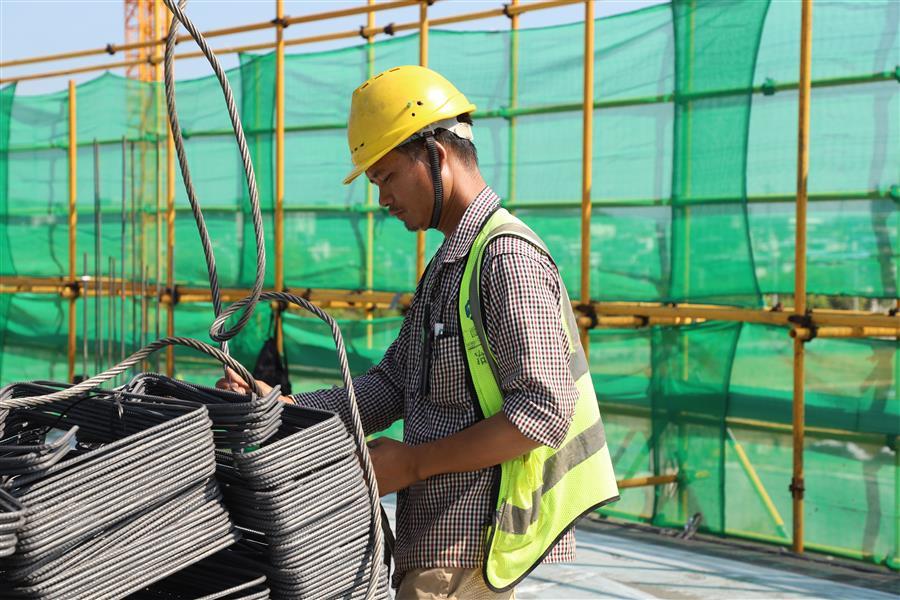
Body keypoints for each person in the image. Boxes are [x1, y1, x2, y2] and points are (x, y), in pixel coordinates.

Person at [219, 65, 618, 599]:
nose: (382, 198)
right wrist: (285, 408)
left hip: (468, 549)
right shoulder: (451, 265)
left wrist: (411, 463)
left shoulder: (505, 260)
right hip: (438, 544)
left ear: (437, 152)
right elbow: (391, 385)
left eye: (386, 176)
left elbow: (542, 411)